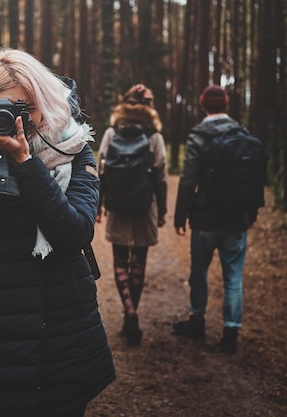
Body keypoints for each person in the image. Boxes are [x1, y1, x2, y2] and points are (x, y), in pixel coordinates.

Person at [0, 48, 115, 417]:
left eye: (24, 108)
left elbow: (75, 232)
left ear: (45, 105)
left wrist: (25, 163)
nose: (12, 119)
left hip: (59, 333)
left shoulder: (73, 150)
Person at [172, 84, 260, 353]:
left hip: (206, 218)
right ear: (226, 105)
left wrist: (180, 215)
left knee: (200, 271)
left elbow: (188, 179)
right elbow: (253, 178)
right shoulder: (243, 134)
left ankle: (197, 320)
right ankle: (231, 331)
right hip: (237, 218)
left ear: (203, 105)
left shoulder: (199, 135)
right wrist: (251, 212)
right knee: (233, 276)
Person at [96, 84, 168, 344]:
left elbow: (101, 172)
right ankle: (132, 313)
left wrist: (98, 206)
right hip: (144, 206)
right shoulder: (154, 137)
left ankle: (129, 310)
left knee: (119, 261)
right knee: (138, 262)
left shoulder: (111, 133)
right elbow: (160, 176)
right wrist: (161, 210)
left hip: (117, 205)